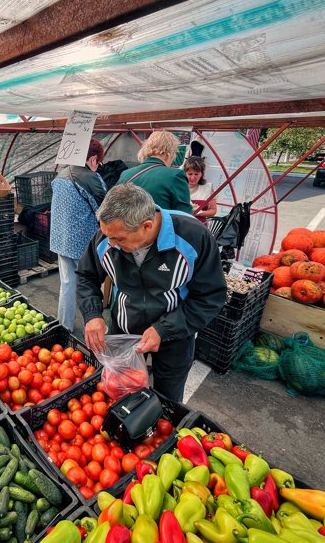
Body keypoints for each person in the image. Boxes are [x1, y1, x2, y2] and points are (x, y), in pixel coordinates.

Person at [76, 183, 227, 401]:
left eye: (119, 239)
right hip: (126, 329)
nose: (111, 243)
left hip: (175, 335)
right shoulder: (106, 237)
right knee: (121, 394)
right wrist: (92, 316)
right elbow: (86, 276)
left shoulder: (193, 237)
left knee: (168, 399)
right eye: (107, 234)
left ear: (146, 226)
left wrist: (163, 329)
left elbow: (210, 296)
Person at [49, 138, 108, 332]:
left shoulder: (60, 175)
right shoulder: (91, 178)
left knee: (67, 283)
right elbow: (107, 209)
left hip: (60, 239)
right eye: (98, 161)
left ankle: (64, 325)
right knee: (90, 286)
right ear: (92, 159)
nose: (98, 166)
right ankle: (93, 325)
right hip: (83, 243)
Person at [117, 130, 193, 214]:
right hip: (157, 226)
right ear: (170, 152)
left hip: (128, 226)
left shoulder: (126, 174)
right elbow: (184, 216)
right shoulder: (175, 175)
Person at [184, 156, 217, 224]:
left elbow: (213, 210)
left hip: (200, 226)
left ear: (201, 174)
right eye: (190, 174)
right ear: (185, 173)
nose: (193, 178)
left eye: (196, 174)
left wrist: (199, 213)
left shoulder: (207, 188)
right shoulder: (179, 187)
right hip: (182, 225)